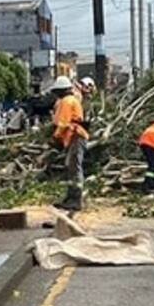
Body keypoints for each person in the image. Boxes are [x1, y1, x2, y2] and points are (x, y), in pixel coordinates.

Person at [50, 74, 88, 211]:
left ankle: (75, 199)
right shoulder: (70, 100)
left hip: (76, 136)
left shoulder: (67, 101)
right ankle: (70, 197)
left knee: (74, 167)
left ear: (61, 90)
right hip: (73, 137)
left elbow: (63, 124)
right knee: (71, 166)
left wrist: (55, 137)